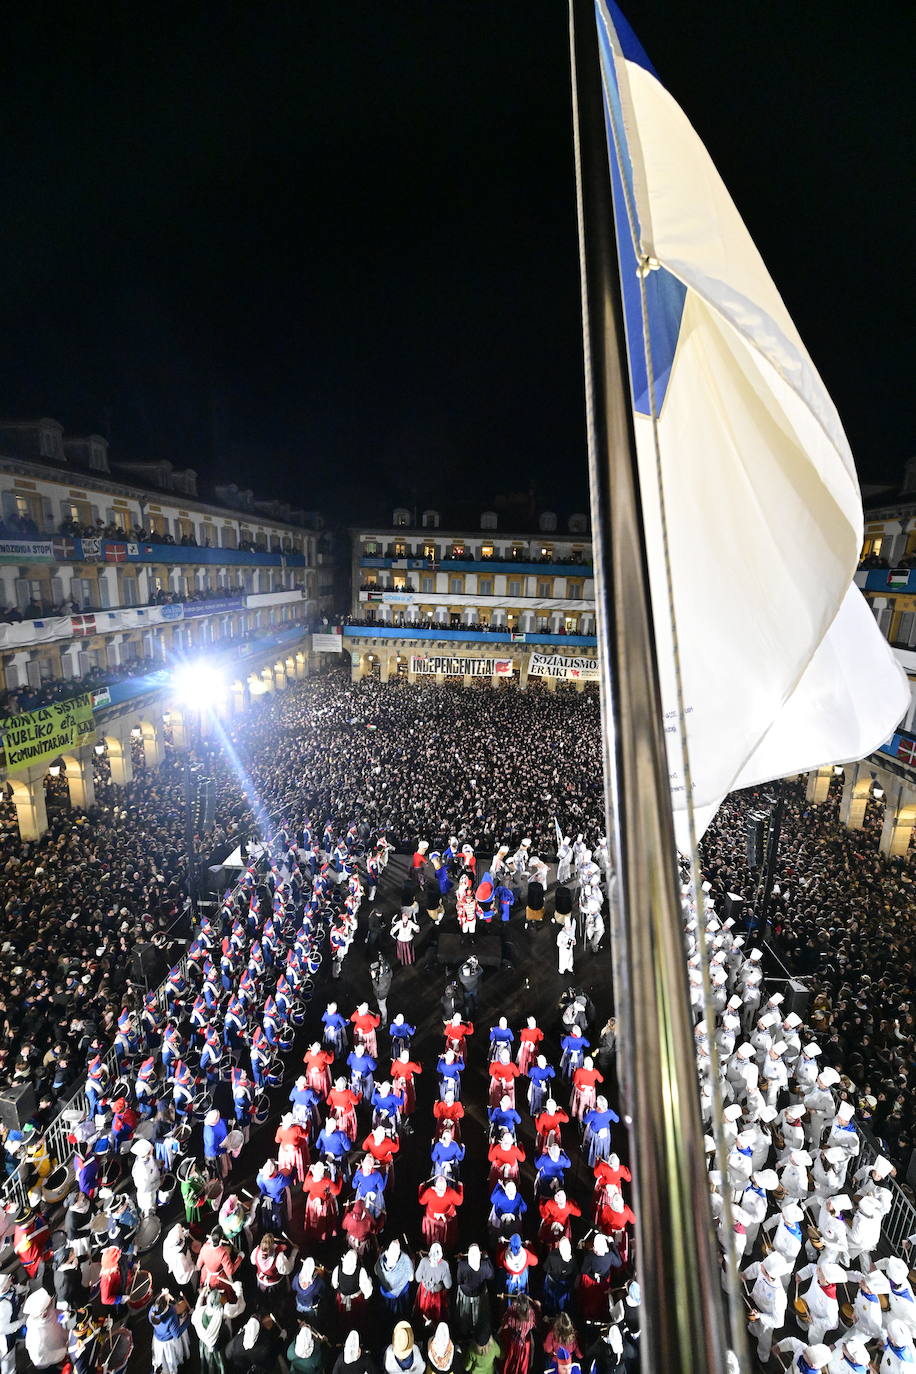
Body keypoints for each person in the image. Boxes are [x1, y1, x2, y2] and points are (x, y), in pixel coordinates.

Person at [23, 1288, 68, 1372]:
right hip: (48, 1364)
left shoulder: (47, 1316)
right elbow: (41, 1358)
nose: (52, 1303)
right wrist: (66, 1350)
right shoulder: (38, 1335)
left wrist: (66, 1315)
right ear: (44, 1313)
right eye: (50, 1303)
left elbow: (58, 1315)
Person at [149, 1290, 192, 1374]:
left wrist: (163, 1294)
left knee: (162, 1362)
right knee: (172, 1360)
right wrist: (189, 1318)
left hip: (158, 1340)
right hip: (169, 1343)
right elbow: (177, 1334)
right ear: (165, 1306)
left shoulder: (152, 1310)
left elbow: (159, 1301)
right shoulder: (171, 1315)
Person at [192, 1288, 230, 1374]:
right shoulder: (220, 1313)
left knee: (207, 1360)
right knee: (219, 1361)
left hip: (204, 1343)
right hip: (217, 1343)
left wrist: (202, 1294)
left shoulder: (200, 1311)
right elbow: (239, 1308)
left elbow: (198, 1305)